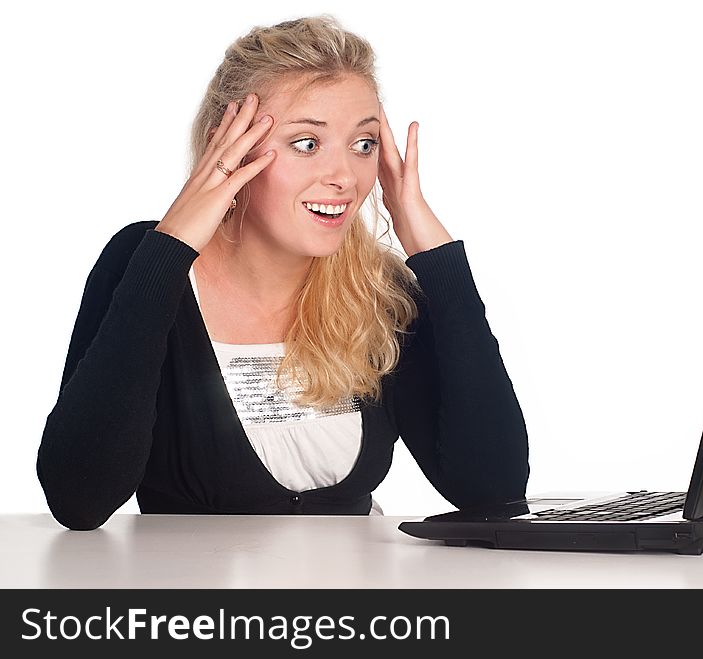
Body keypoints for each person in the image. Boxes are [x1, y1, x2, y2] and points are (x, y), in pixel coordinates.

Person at [36, 15, 529, 531]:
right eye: (307, 144)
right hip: (198, 610)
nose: (343, 177)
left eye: (363, 144)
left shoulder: (380, 292)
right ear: (227, 147)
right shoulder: (146, 263)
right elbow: (80, 501)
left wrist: (437, 256)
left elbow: (493, 492)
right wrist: (170, 248)